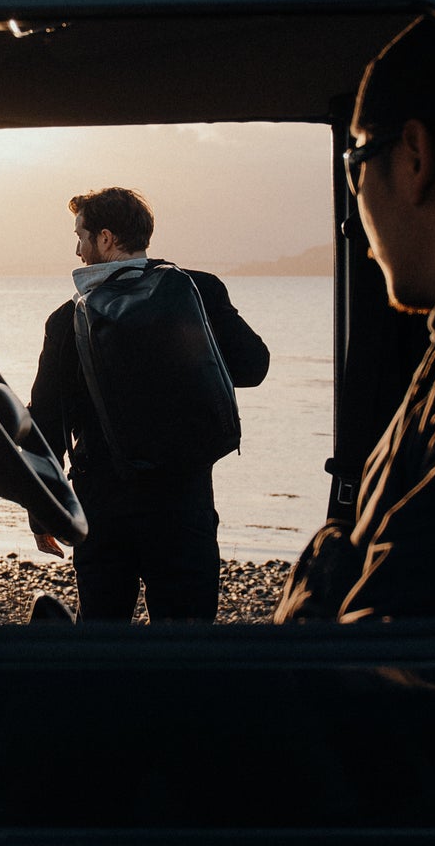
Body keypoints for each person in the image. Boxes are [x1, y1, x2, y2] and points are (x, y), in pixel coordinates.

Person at [275, 14, 435, 623]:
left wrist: (322, 562)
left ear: (414, 157)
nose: (360, 236)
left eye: (354, 166)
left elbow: (385, 652)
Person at [27, 187, 270, 622]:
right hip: (183, 501)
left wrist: (42, 513)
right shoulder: (199, 292)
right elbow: (254, 367)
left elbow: (44, 423)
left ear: (105, 239)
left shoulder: (67, 319)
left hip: (101, 505)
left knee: (102, 640)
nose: (77, 250)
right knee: (185, 645)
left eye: (80, 236)